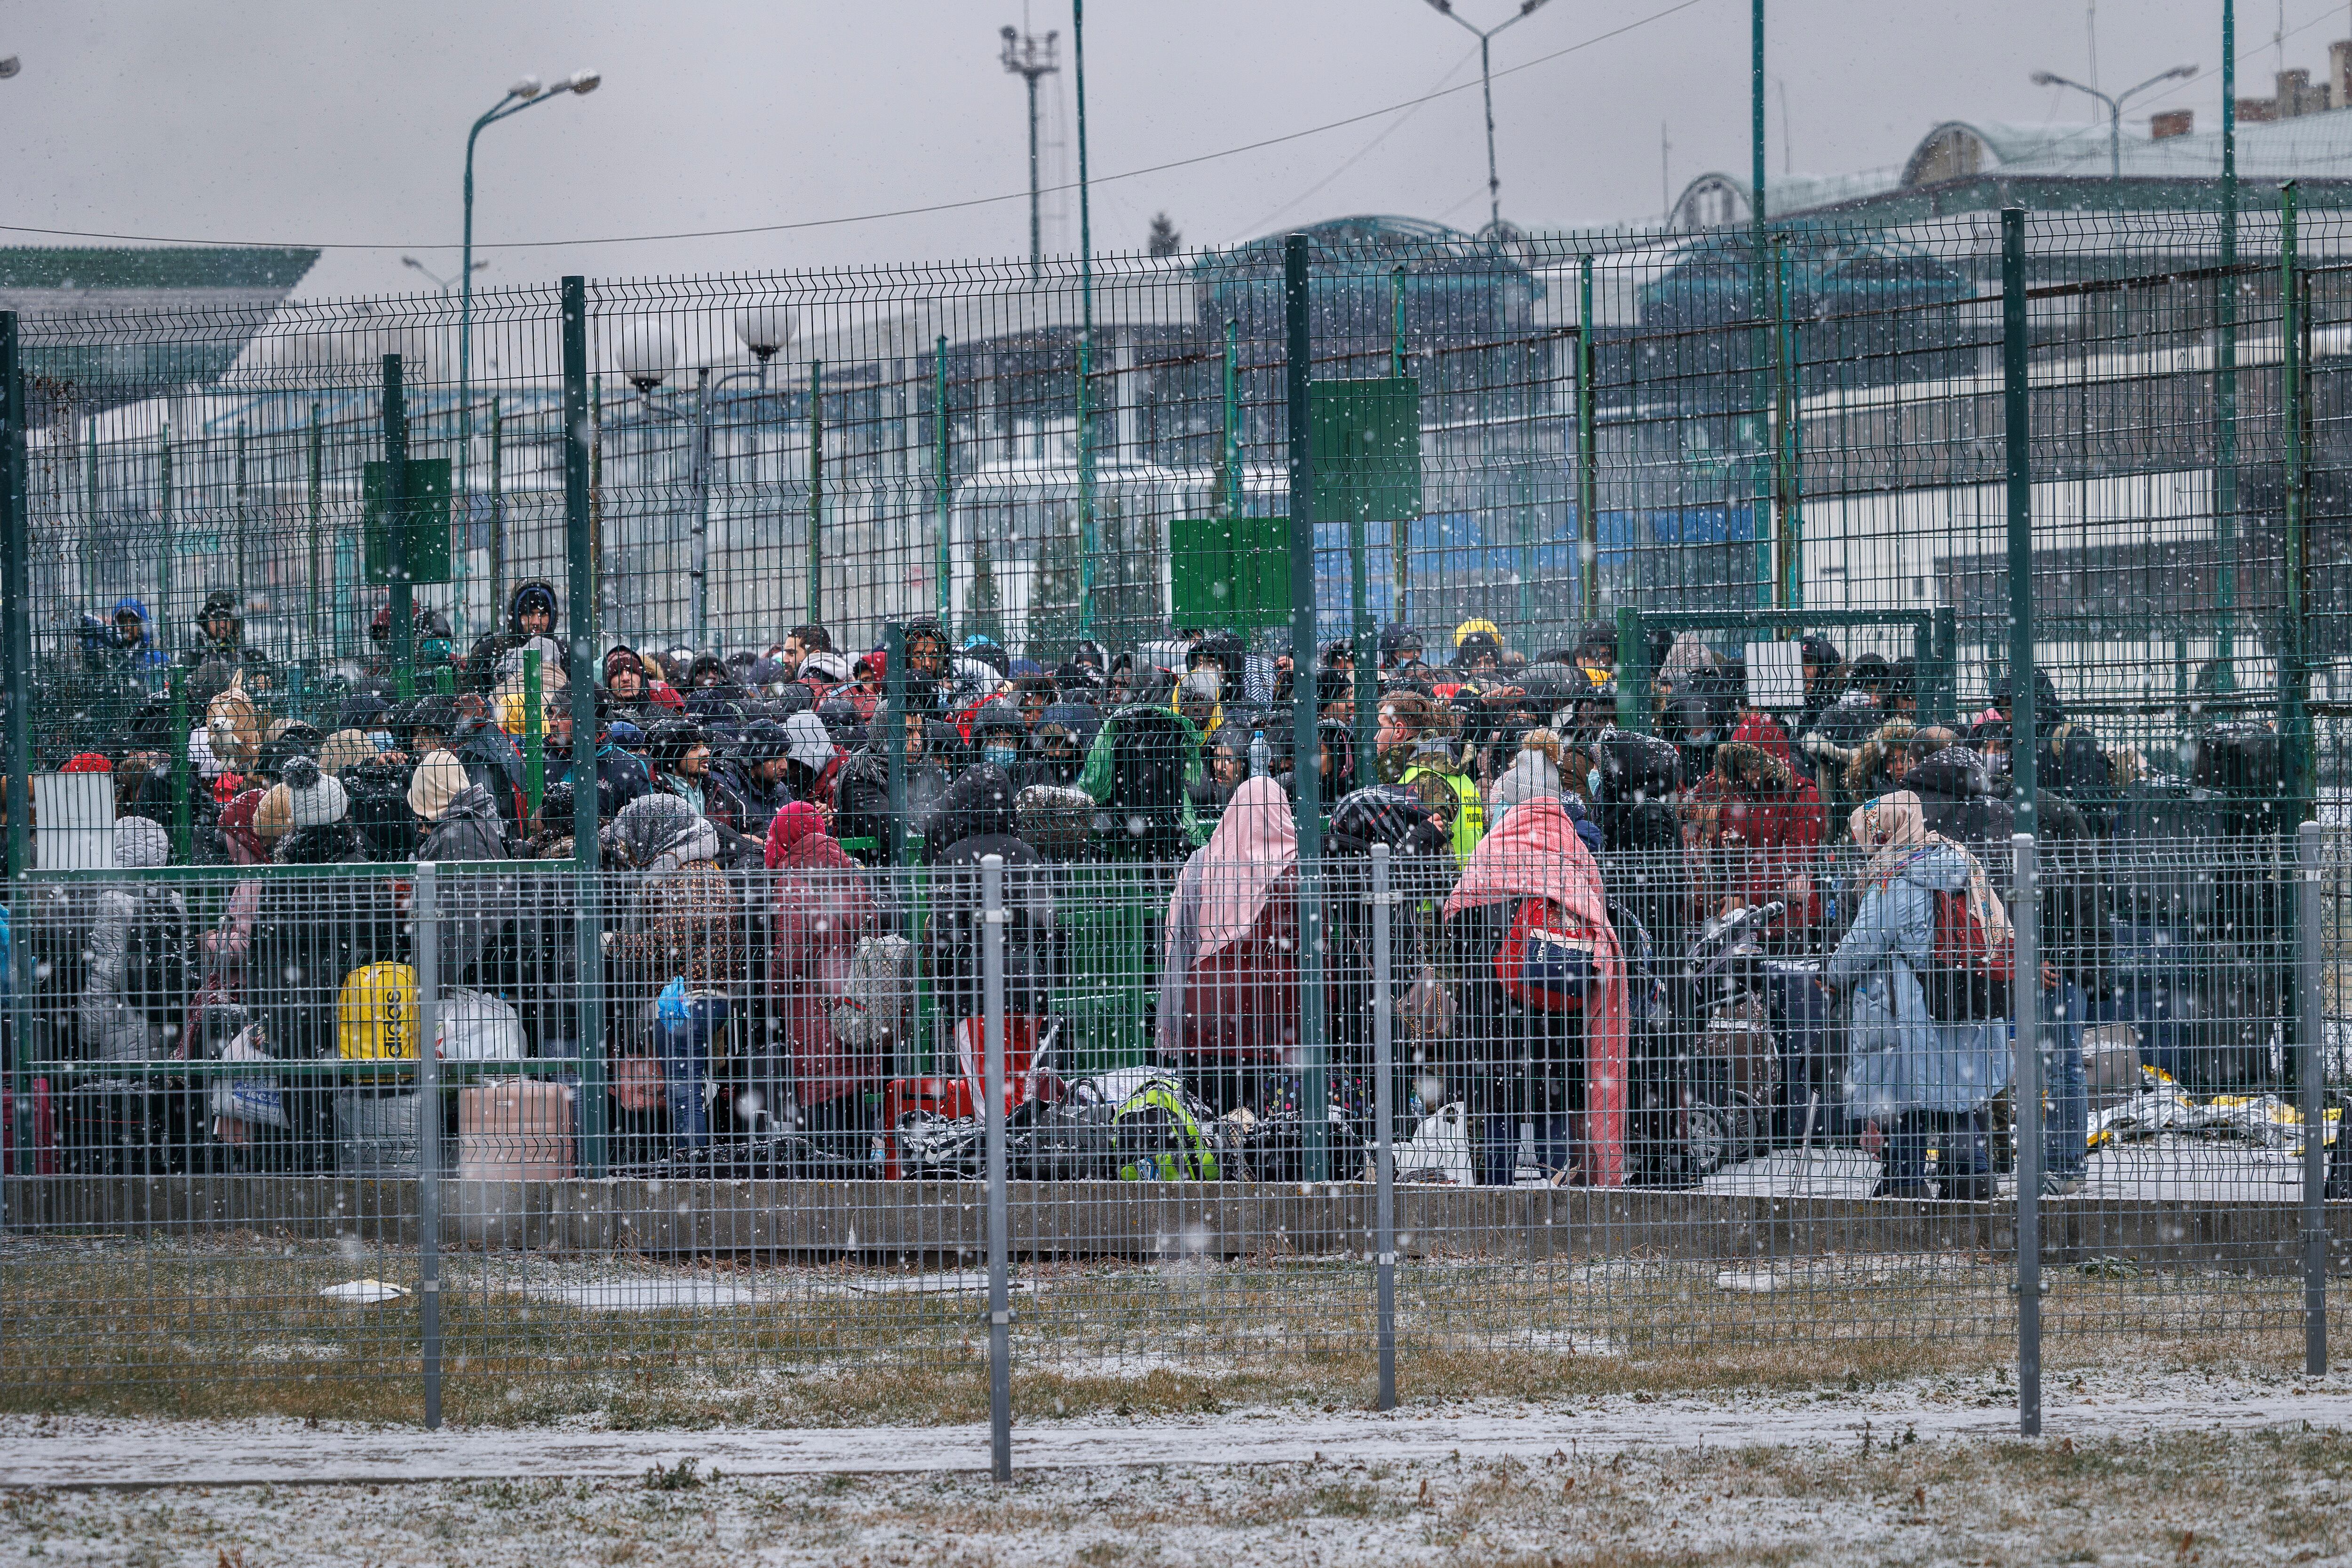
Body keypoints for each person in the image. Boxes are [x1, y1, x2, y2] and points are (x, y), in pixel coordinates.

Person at [1828, 791, 2012, 1201]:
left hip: (1912, 1006)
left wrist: (1831, 973)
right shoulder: (1957, 860)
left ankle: (1905, 1182)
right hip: (1964, 996)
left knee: (1907, 1095)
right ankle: (1972, 1177)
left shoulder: (1893, 878)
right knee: (1958, 1095)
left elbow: (1860, 947)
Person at [1440, 793, 1629, 1187]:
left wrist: (1494, 947)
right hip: (1557, 1002)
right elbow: (1599, 928)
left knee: (1497, 1108)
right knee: (1552, 1107)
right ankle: (1557, 1203)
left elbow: (1457, 929)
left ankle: (1493, 1202)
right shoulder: (1573, 855)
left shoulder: (1493, 851)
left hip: (1493, 1008)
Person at [1157, 776, 1301, 1116]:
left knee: (1206, 1122)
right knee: (1270, 1130)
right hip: (1276, 1020)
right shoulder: (1297, 871)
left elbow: (1177, 937)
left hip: (1207, 1015)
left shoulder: (1200, 865)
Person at [763, 801, 880, 1154]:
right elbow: (871, 927)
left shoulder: (792, 882)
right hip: (854, 1011)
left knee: (824, 1132)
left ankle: (832, 1202)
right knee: (855, 1118)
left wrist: (772, 984)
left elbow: (793, 954)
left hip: (815, 1017)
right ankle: (861, 1195)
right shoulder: (849, 872)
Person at [465, 580, 568, 692]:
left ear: (552, 616)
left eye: (543, 614)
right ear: (516, 616)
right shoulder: (489, 650)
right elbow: (469, 702)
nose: (536, 622)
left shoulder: (564, 651)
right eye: (529, 613)